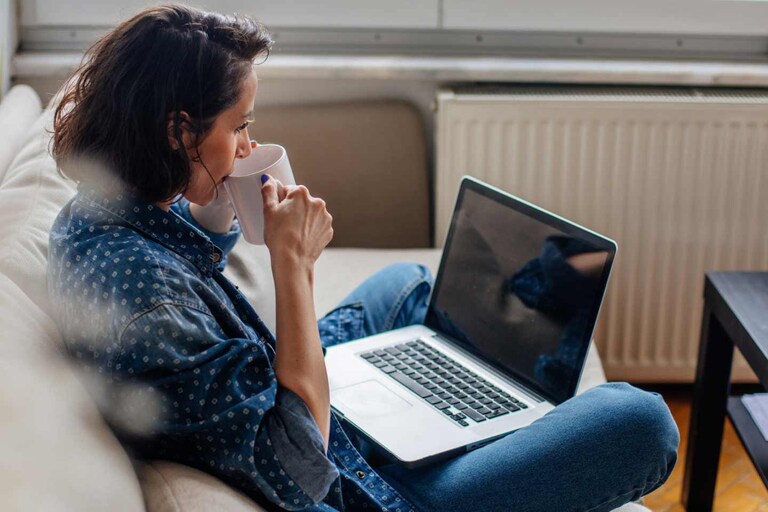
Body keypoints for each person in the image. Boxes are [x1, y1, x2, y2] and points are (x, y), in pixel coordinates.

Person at [47, 4, 679, 511]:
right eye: (238, 127)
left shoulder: (102, 214)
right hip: (362, 487)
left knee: (407, 284)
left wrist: (216, 198)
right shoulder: (147, 301)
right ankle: (485, 419)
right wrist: (293, 263)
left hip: (296, 406)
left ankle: (468, 405)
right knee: (641, 420)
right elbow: (301, 459)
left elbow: (189, 274)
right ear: (180, 131)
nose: (250, 144)